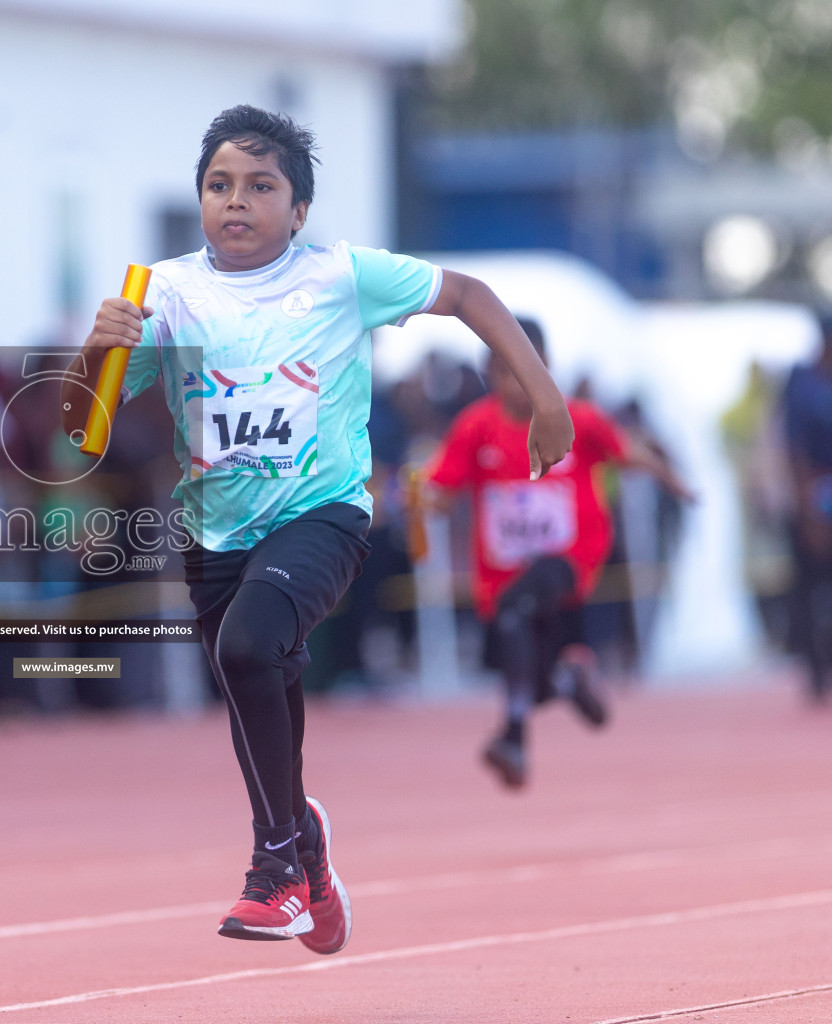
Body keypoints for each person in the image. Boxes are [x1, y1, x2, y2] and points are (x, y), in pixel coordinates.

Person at [68, 105, 573, 952]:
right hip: (215, 534)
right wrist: (95, 351)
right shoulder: (158, 292)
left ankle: (276, 872)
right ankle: (305, 843)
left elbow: (471, 295)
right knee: (256, 688)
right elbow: (81, 430)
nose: (237, 201)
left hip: (324, 514)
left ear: (298, 210)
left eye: (261, 187)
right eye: (220, 185)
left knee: (243, 650)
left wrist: (544, 395)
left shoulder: (343, 274)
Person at [421, 319, 691, 788]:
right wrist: (413, 497)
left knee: (514, 617)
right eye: (504, 373)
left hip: (570, 558)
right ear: (489, 372)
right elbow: (441, 493)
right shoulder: (475, 428)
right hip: (502, 573)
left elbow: (628, 453)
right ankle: (565, 683)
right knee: (523, 662)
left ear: (544, 367)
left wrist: (672, 479)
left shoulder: (577, 418)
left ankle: (513, 737)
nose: (516, 385)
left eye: (526, 371)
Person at [782, 314, 832, 702]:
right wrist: (807, 512)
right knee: (809, 586)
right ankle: (815, 671)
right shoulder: (801, 383)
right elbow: (794, 450)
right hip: (812, 492)